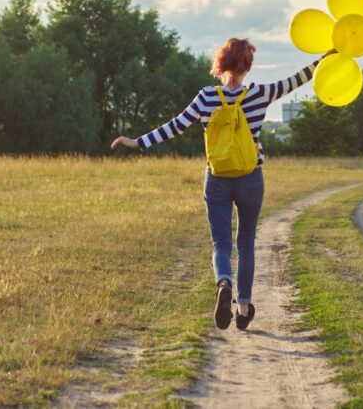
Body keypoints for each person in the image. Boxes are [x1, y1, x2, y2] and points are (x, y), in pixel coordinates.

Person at [111, 38, 329, 331]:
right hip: (251, 178)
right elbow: (299, 79)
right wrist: (327, 57)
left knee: (221, 243)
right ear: (247, 66)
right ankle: (243, 307)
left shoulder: (206, 97)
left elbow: (175, 126)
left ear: (221, 64)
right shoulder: (261, 94)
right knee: (246, 243)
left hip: (217, 179)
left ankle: (223, 282)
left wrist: (138, 142)